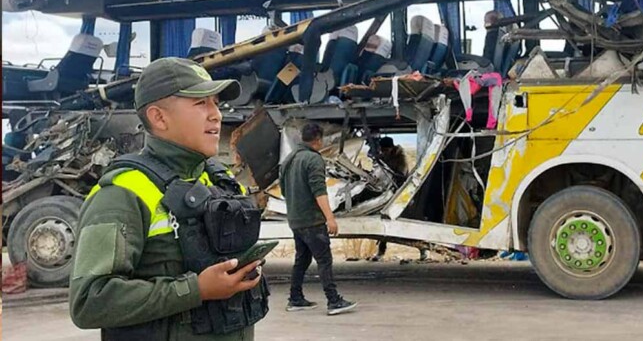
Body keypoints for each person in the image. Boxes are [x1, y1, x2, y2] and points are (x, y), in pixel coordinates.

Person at [69, 57, 270, 340]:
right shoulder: (123, 193)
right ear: (159, 117)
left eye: (215, 102)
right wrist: (196, 289)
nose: (216, 114)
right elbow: (89, 301)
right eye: (201, 104)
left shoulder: (218, 178)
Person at [281, 123, 358, 315]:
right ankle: (333, 301)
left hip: (295, 220)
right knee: (324, 260)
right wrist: (330, 218)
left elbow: (283, 190)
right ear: (318, 139)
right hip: (312, 221)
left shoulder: (289, 159)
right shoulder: (313, 159)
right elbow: (319, 191)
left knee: (302, 260)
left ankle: (295, 298)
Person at [371, 137, 429, 262]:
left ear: (391, 148)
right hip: (388, 194)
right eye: (382, 150)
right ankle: (381, 251)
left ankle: (423, 249)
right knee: (383, 225)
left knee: (407, 225)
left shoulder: (400, 157)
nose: (384, 152)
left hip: (400, 194)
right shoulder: (384, 156)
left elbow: (401, 174)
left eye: (385, 150)